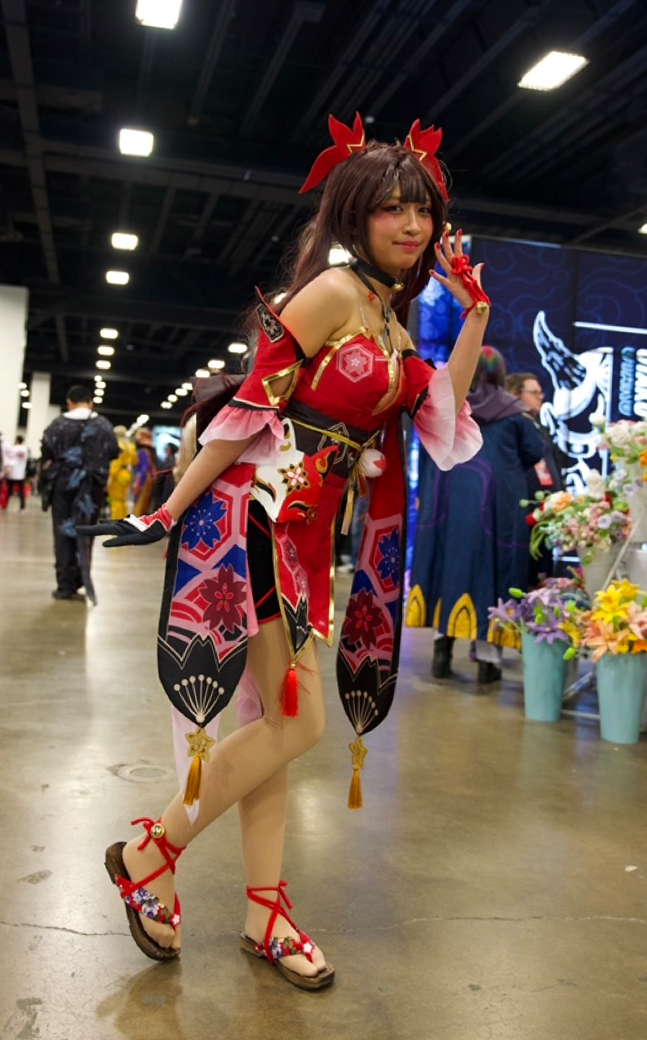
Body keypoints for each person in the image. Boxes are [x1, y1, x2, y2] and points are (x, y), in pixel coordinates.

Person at [81, 115, 490, 989]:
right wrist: (168, 512)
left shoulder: (388, 318)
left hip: (310, 540)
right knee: (298, 721)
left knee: (267, 727)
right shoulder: (335, 294)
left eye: (420, 210)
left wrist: (476, 310)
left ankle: (265, 909)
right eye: (389, 210)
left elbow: (445, 417)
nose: (410, 226)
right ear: (354, 218)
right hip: (256, 522)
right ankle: (151, 852)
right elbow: (244, 414)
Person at [408, 347, 544, 683]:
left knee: (447, 567)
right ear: (501, 374)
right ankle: (487, 661)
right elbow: (534, 452)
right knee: (493, 573)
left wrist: (424, 496)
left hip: (447, 507)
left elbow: (426, 454)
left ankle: (442, 652)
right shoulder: (516, 415)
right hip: (497, 510)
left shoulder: (448, 409)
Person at [41, 385, 118, 602]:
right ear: (90, 402)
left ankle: (65, 586)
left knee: (63, 532)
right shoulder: (103, 424)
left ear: (69, 402)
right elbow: (112, 452)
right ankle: (80, 580)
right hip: (92, 487)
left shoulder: (57, 424)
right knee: (86, 532)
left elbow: (46, 452)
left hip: (63, 485)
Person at [505, 371, 569, 582]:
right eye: (534, 392)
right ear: (515, 394)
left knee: (543, 567)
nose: (541, 397)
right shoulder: (511, 426)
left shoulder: (538, 426)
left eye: (541, 393)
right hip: (523, 511)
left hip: (544, 514)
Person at [107, 426, 138, 520]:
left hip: (118, 476)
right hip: (126, 474)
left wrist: (110, 477)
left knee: (116, 501)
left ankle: (115, 523)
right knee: (123, 500)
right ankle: (123, 521)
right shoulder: (130, 446)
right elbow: (135, 461)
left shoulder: (119, 446)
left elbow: (115, 464)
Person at [132, 428, 158, 516]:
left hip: (143, 479)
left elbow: (144, 468)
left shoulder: (142, 452)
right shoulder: (149, 452)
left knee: (140, 506)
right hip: (147, 478)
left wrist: (139, 483)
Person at [2, 435, 30, 510]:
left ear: (17, 440)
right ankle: (22, 505)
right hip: (21, 473)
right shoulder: (25, 449)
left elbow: (8, 458)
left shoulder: (13, 448)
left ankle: (5, 504)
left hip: (12, 472)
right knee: (21, 491)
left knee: (9, 490)